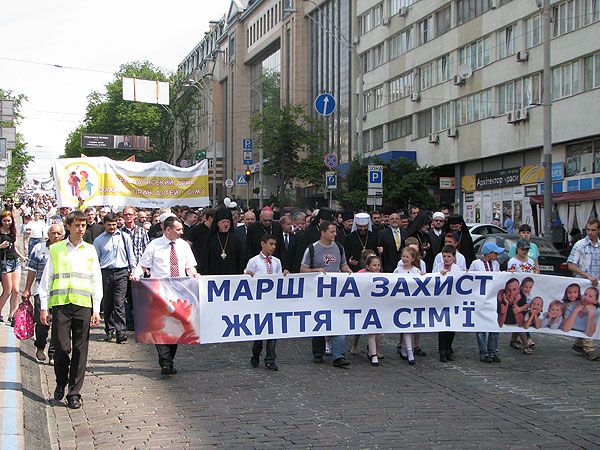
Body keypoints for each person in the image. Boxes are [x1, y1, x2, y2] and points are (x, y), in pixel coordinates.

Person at [38, 211, 103, 409]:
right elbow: (46, 280)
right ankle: (60, 381)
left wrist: (96, 308)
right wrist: (43, 307)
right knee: (61, 346)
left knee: (80, 349)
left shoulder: (90, 250)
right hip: (61, 305)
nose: (80, 229)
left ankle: (74, 392)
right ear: (68, 227)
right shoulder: (56, 249)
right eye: (76, 225)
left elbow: (95, 279)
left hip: (83, 304)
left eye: (83, 226)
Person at [131, 216, 199, 375]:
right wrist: (136, 275)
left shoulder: (183, 246)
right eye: (178, 229)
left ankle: (169, 359)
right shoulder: (154, 245)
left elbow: (189, 267)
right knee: (160, 326)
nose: (182, 232)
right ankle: (165, 362)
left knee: (175, 326)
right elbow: (143, 264)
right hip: (159, 291)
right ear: (168, 230)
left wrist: (195, 275)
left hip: (179, 291)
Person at [301, 221, 352, 368]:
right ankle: (318, 352)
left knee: (338, 321)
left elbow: (342, 264)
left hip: (336, 292)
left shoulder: (339, 247)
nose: (335, 234)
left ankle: (339, 355)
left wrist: (347, 269)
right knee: (319, 321)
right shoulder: (312, 248)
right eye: (332, 231)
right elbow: (303, 269)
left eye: (335, 231)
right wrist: (316, 271)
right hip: (318, 293)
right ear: (323, 232)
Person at [22, 223, 65, 364]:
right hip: (41, 291)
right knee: (42, 323)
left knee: (58, 324)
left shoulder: (66, 249)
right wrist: (27, 288)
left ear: (63, 235)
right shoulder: (39, 248)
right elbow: (32, 270)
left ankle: (53, 353)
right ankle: (40, 346)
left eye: (59, 234)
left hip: (59, 291)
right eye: (53, 233)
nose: (56, 236)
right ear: (48, 234)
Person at [246, 234, 289, 371]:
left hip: (272, 301)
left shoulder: (276, 261)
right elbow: (247, 278)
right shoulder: (254, 261)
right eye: (270, 244)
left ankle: (270, 359)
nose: (273, 247)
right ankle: (256, 352)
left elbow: (277, 278)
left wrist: (284, 275)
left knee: (272, 331)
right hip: (259, 301)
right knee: (260, 331)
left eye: (275, 245)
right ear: (263, 244)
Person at [93, 212, 136, 343]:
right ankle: (109, 329)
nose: (112, 227)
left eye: (114, 224)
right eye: (109, 225)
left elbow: (131, 254)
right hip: (105, 273)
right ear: (104, 224)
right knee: (107, 303)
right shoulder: (99, 240)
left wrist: (133, 270)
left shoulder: (125, 237)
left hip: (122, 272)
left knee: (119, 302)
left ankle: (120, 332)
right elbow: (95, 260)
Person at [469, 241, 504, 363]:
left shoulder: (495, 264)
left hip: (493, 298)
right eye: (495, 253)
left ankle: (492, 351)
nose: (497, 255)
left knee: (494, 326)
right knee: (481, 327)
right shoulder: (476, 264)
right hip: (480, 299)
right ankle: (483, 352)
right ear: (488, 253)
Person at [436, 245, 463, 362]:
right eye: (444, 256)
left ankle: (448, 348)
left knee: (452, 326)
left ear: (454, 258)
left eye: (449, 256)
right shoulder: (438, 267)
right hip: (441, 301)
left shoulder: (457, 269)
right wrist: (440, 275)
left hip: (453, 300)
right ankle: (442, 351)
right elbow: (432, 280)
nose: (446, 259)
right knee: (442, 326)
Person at [199, 208, 245, 276]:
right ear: (217, 223)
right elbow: (205, 260)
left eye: (228, 222)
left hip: (232, 275)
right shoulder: (210, 239)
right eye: (223, 222)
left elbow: (240, 260)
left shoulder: (235, 239)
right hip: (213, 275)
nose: (226, 224)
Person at [0, 211, 27, 325]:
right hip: (4, 262)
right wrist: (1, 246)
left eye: (9, 221)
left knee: (16, 290)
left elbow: (14, 246)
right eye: (5, 220)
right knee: (7, 290)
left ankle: (12, 315)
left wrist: (22, 256)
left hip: (15, 261)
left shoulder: (12, 231)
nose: (7, 223)